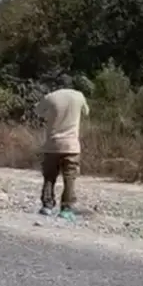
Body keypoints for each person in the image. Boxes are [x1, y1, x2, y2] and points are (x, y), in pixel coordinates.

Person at [34, 78, 89, 220]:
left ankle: (47, 206)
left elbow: (38, 111)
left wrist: (50, 115)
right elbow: (86, 112)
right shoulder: (79, 96)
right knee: (69, 179)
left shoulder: (51, 97)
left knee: (49, 177)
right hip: (72, 145)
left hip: (53, 144)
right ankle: (66, 209)